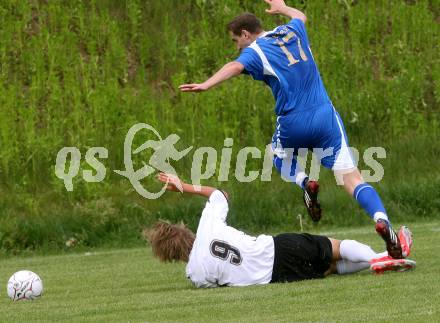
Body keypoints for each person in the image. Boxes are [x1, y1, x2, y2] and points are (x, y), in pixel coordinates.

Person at [179, 0, 404, 259]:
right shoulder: (291, 30)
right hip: (324, 116)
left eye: (235, 41)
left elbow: (235, 66)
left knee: (276, 155)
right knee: (352, 178)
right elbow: (300, 16)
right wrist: (282, 7)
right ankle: (381, 220)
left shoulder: (255, 51)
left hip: (292, 123)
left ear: (245, 34)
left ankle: (304, 181)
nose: (237, 47)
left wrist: (207, 84)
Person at [145, 173, 414, 288]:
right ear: (186, 233)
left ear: (170, 256)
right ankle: (379, 258)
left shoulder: (195, 275)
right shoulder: (207, 226)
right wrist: (183, 186)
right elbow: (219, 194)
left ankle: (383, 257)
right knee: (335, 247)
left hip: (278, 278)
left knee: (329, 268)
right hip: (278, 248)